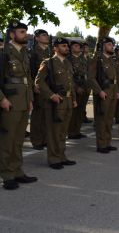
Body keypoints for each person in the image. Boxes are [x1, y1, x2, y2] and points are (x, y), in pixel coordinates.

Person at [0, 21, 38, 190]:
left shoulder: (24, 52)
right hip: (9, 101)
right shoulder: (3, 53)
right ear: (12, 34)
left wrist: (30, 99)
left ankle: (17, 171)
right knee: (7, 141)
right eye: (22, 32)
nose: (25, 34)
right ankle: (7, 175)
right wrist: (2, 99)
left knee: (18, 140)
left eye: (25, 32)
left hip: (23, 101)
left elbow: (28, 79)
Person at [36, 37, 78, 169]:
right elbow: (39, 82)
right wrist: (51, 95)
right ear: (55, 48)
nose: (66, 48)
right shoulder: (48, 62)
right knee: (54, 131)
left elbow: (71, 83)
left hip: (68, 101)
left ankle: (61, 156)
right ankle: (54, 159)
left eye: (67, 46)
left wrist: (74, 99)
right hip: (55, 102)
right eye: (63, 46)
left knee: (63, 132)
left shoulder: (67, 63)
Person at [88, 37, 119, 153]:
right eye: (109, 44)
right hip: (103, 92)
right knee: (101, 119)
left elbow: (115, 78)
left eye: (112, 44)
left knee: (109, 119)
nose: (112, 46)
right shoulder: (97, 59)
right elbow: (91, 78)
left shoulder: (111, 59)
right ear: (103, 46)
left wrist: (116, 91)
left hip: (111, 92)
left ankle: (107, 142)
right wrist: (99, 91)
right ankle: (101, 145)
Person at [29, 29, 51, 150]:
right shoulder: (33, 53)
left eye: (46, 35)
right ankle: (37, 140)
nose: (46, 37)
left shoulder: (50, 52)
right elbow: (30, 72)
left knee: (47, 114)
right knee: (38, 115)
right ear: (36, 38)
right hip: (38, 87)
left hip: (49, 88)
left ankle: (44, 139)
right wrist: (34, 86)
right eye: (43, 35)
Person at [67, 41, 89, 139]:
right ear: (71, 48)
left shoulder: (82, 58)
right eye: (76, 46)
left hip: (84, 86)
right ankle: (71, 132)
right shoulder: (68, 59)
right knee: (74, 111)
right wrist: (76, 87)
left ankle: (77, 130)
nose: (78, 47)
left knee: (81, 110)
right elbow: (69, 77)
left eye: (79, 46)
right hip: (75, 87)